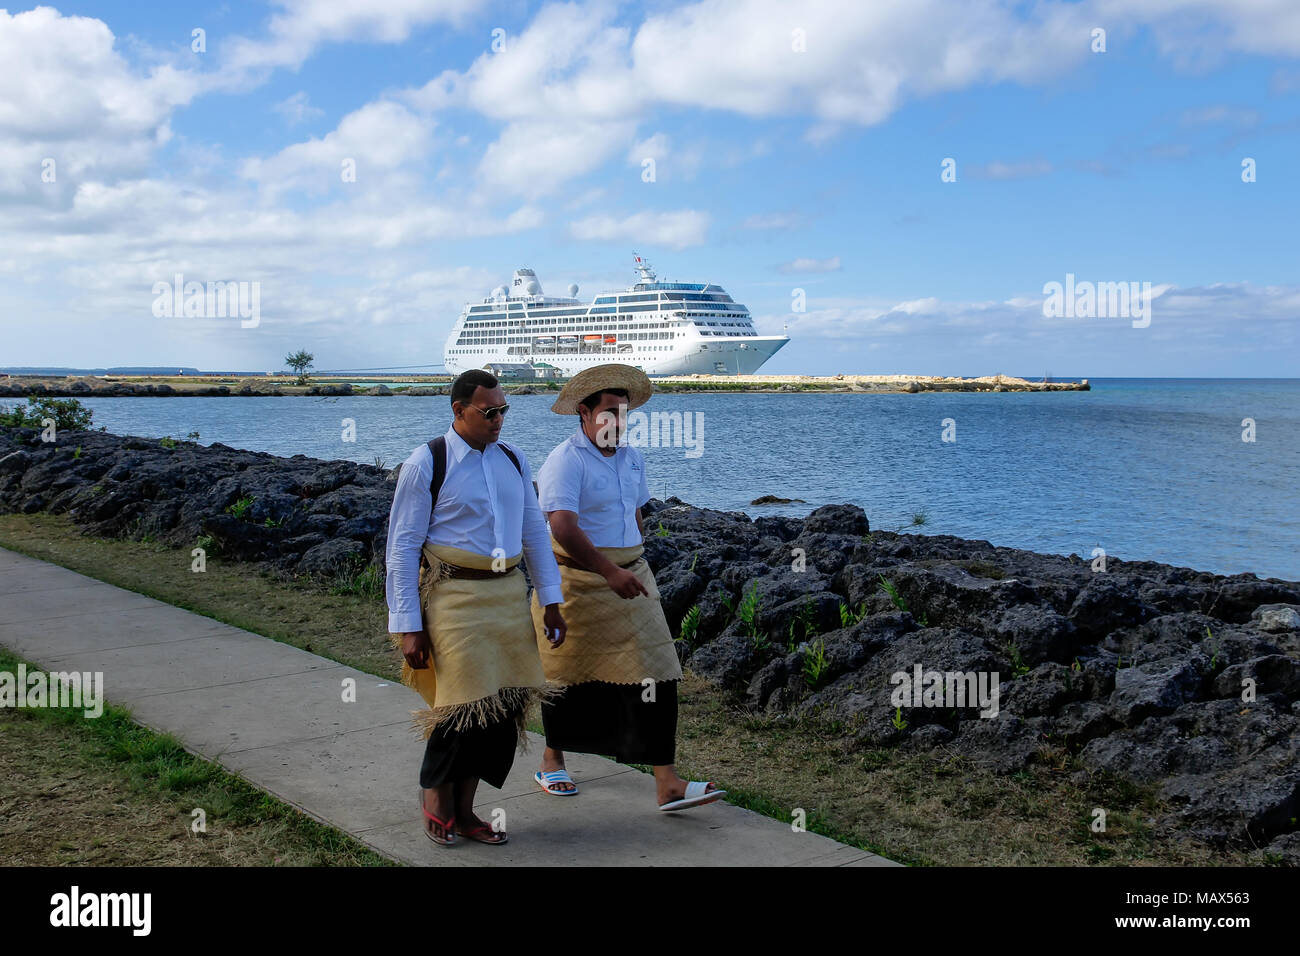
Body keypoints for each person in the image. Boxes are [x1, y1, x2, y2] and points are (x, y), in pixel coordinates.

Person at [529, 364, 725, 811]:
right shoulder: (567, 459)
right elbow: (560, 525)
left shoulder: (632, 456)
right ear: (583, 412)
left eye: (623, 414)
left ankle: (667, 781)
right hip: (577, 580)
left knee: (657, 671)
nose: (618, 422)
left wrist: (632, 560)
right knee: (566, 674)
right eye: (609, 414)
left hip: (633, 574)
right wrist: (607, 570)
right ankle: (552, 758)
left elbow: (635, 512)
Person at [385, 369, 567, 846]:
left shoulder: (513, 459)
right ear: (458, 410)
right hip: (454, 599)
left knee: (502, 710)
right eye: (490, 412)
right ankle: (435, 797)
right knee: (460, 707)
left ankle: (466, 810)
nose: (499, 419)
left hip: (507, 598)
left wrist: (551, 601)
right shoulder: (428, 462)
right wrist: (407, 626)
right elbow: (402, 549)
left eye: (504, 410)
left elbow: (534, 537)